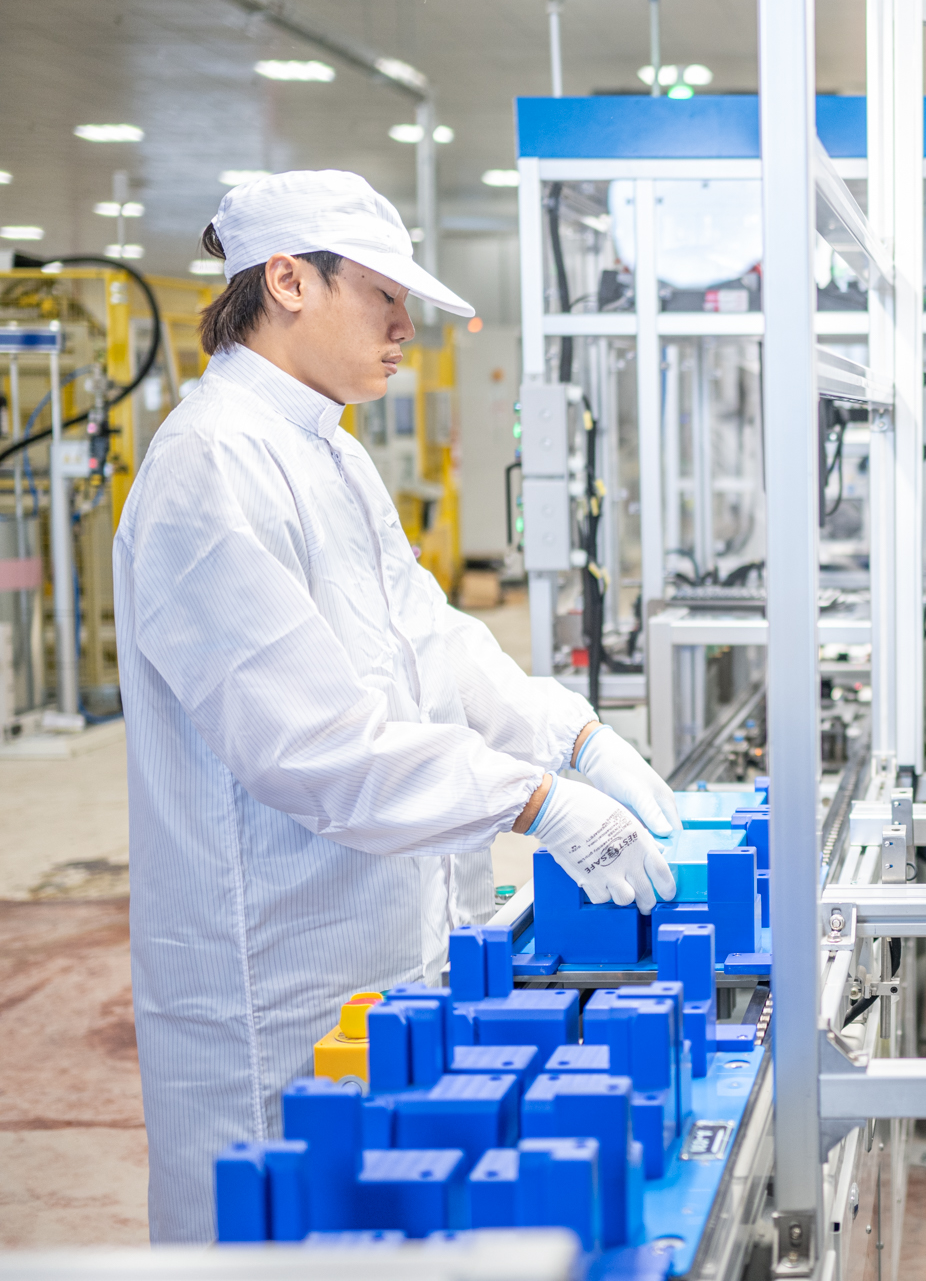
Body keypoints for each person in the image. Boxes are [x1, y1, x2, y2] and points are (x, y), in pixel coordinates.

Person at [114, 171, 682, 1241]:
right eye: (382, 295)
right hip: (274, 977)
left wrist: (575, 738)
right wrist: (536, 803)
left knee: (382, 1225)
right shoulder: (211, 464)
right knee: (281, 1233)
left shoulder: (328, 451)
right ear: (288, 281)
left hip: (377, 948)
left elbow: (431, 640)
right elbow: (312, 746)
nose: (403, 328)